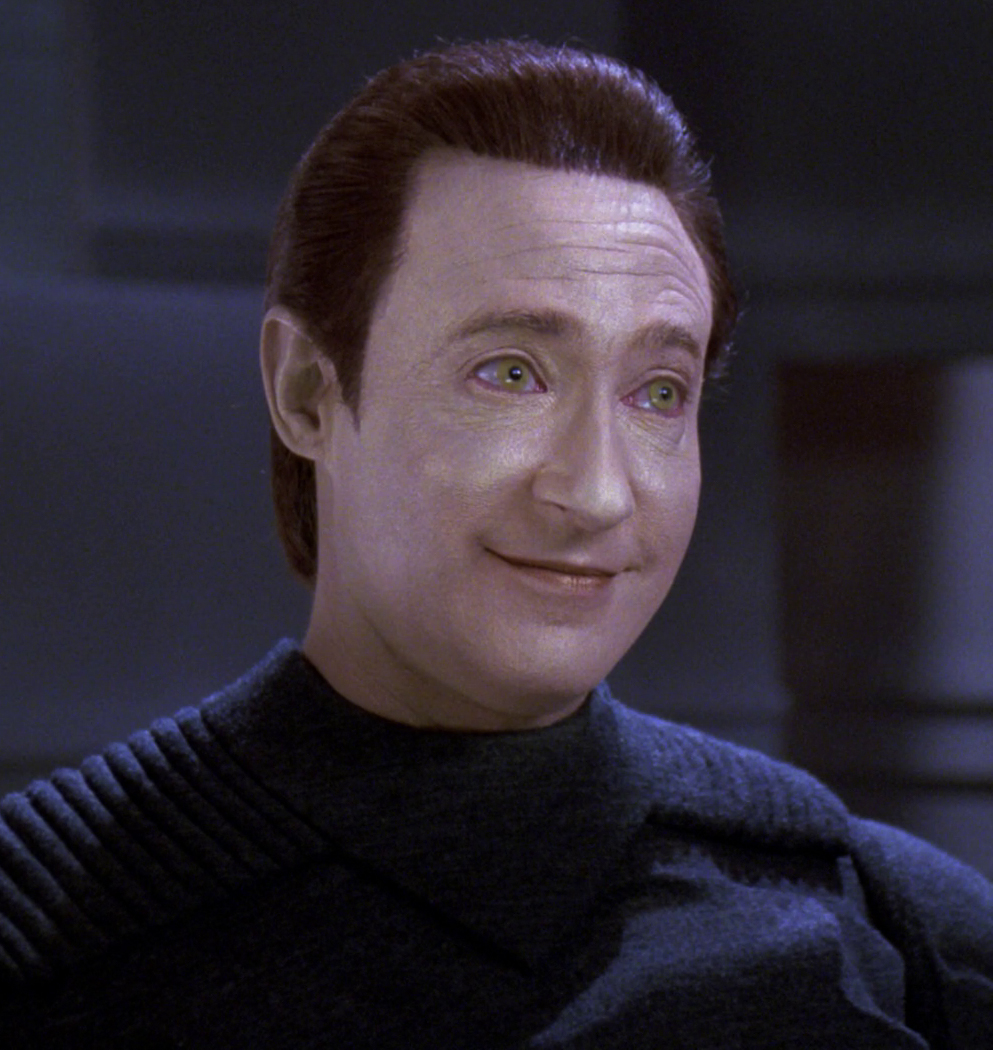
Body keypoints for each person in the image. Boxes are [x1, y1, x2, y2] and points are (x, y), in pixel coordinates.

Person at [1, 38, 991, 1049]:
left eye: (659, 394)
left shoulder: (876, 914)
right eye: (510, 374)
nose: (596, 492)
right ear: (307, 391)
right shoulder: (55, 933)